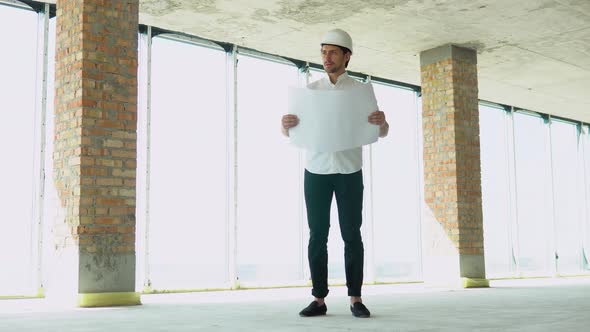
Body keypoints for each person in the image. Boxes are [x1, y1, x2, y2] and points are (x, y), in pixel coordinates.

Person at [281, 29, 389, 318]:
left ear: (346, 56)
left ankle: (356, 298)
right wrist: (285, 124)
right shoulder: (310, 91)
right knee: (318, 235)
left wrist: (382, 122)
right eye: (323, 52)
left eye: (332, 52)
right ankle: (319, 299)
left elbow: (382, 131)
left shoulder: (360, 91)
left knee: (352, 234)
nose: (326, 58)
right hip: (315, 170)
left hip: (349, 170)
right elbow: (290, 130)